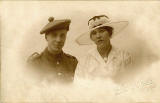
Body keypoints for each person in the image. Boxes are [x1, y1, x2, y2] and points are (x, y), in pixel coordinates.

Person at [75, 15, 132, 81]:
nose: (98, 36)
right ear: (92, 38)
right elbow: (78, 86)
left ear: (110, 33)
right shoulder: (84, 61)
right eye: (94, 33)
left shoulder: (124, 56)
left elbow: (130, 82)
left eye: (101, 31)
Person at [27, 17, 78, 84]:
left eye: (62, 35)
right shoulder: (34, 64)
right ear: (46, 37)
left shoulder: (73, 63)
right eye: (54, 35)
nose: (58, 40)